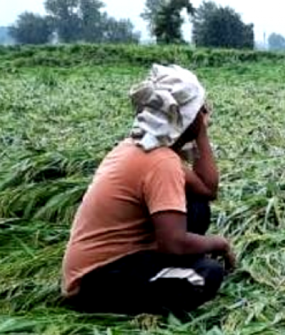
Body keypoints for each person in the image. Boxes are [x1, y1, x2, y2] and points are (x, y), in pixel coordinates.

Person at [62, 65, 236, 316]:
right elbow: (172, 244)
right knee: (205, 275)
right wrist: (219, 244)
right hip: (96, 279)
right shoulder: (161, 162)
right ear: (187, 117)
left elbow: (207, 188)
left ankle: (157, 271)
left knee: (197, 208)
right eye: (200, 110)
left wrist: (201, 133)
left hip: (122, 258)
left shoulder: (141, 146)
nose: (205, 113)